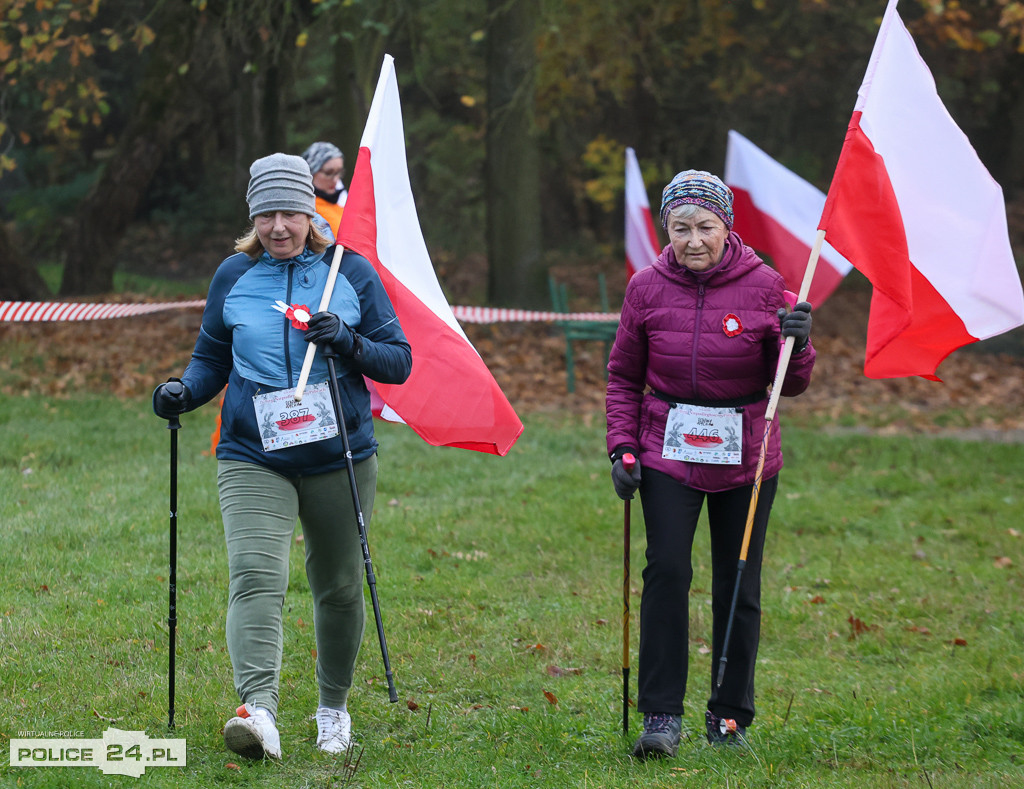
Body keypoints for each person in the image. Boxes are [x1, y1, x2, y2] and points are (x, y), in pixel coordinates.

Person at [152, 153, 412, 760]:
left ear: (311, 213)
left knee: (340, 586)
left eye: (291, 212)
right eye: (266, 213)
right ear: (252, 217)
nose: (279, 227)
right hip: (251, 453)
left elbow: (397, 360)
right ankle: (259, 712)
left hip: (338, 454)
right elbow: (212, 357)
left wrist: (346, 340)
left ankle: (332, 710)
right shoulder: (232, 276)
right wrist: (184, 392)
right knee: (255, 576)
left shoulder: (350, 274)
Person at [605, 170, 815, 759]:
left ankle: (728, 716)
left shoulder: (766, 285)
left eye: (704, 226)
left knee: (738, 583)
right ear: (665, 230)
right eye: (680, 228)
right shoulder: (646, 287)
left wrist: (799, 344)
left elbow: (790, 384)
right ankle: (661, 715)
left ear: (727, 226)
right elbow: (623, 376)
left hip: (746, 457)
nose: (693, 240)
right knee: (666, 573)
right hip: (668, 449)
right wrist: (621, 447)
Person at [301, 141, 347, 237]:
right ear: (311, 173)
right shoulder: (305, 209)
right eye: (328, 173)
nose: (336, 179)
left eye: (339, 172)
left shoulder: (340, 204)